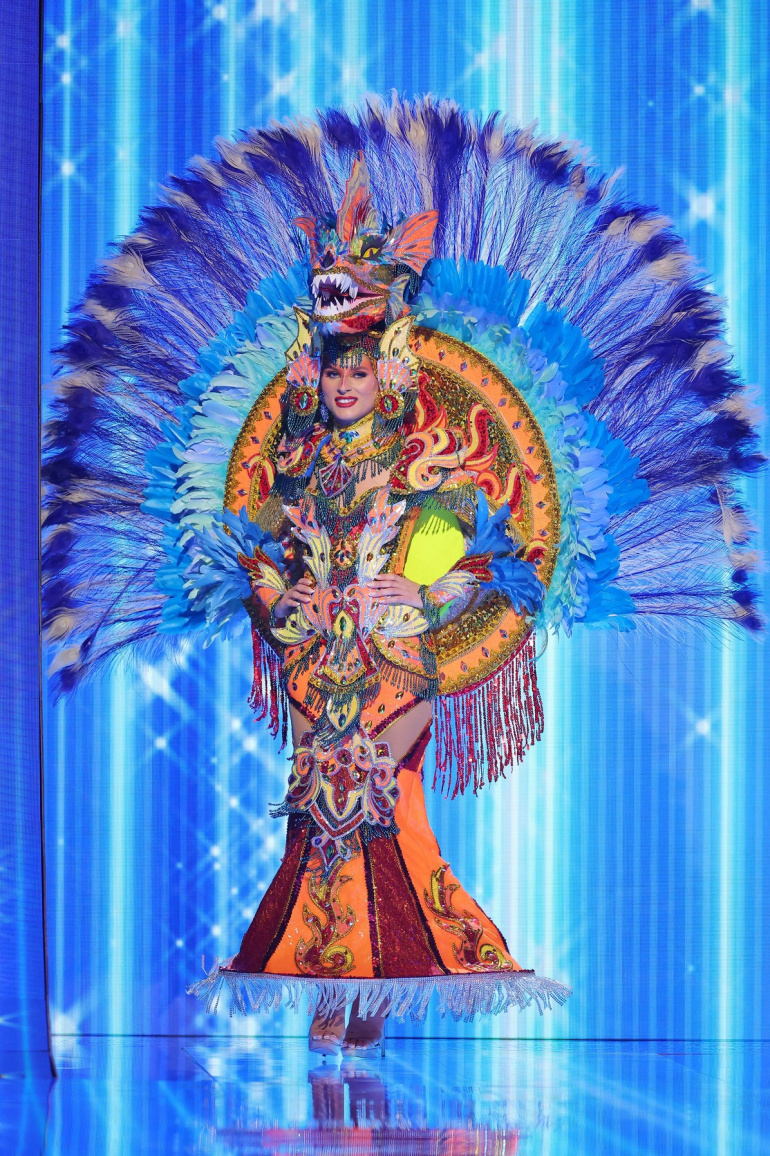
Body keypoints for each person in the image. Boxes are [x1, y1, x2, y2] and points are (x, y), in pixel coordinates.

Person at [43, 98, 761, 1053]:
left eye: (359, 369)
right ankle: (339, 985)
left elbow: (502, 560)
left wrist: (423, 593)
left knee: (385, 812)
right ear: (315, 372)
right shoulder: (294, 464)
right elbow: (247, 550)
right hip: (316, 671)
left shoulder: (428, 466)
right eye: (332, 370)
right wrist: (283, 595)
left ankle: (375, 984)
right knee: (317, 821)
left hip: (397, 672)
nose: (345, 384)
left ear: (387, 367)